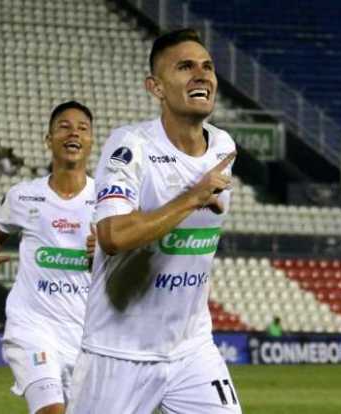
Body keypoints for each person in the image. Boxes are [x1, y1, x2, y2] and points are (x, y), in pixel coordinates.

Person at [68, 29, 241, 414]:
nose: (202, 74)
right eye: (185, 67)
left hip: (191, 349)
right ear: (156, 87)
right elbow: (112, 236)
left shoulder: (225, 146)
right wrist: (190, 198)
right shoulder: (131, 146)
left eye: (207, 67)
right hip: (118, 354)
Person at [0, 100, 96, 414]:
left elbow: (132, 258)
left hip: (86, 332)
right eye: (64, 126)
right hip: (32, 326)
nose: (74, 133)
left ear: (91, 141)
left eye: (83, 128)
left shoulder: (107, 199)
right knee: (51, 410)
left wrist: (110, 252)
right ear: (48, 139)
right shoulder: (23, 195)